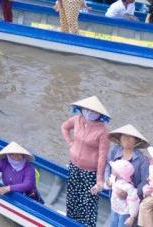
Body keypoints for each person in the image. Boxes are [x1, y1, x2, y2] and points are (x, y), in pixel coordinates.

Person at [60, 95, 112, 225]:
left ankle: (87, 225)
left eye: (94, 111)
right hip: (74, 165)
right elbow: (64, 127)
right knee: (72, 195)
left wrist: (99, 179)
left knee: (88, 201)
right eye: (87, 109)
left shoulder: (103, 131)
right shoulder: (77, 119)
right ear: (82, 109)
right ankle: (71, 221)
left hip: (90, 172)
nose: (89, 113)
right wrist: (70, 143)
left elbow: (102, 156)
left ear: (99, 114)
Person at [103, 125, 151, 215]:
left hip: (131, 199)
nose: (126, 139)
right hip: (114, 192)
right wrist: (107, 180)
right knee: (114, 216)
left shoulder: (142, 159)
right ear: (120, 137)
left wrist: (130, 194)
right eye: (124, 136)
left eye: (130, 137)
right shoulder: (115, 149)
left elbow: (145, 181)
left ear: (136, 141)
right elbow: (108, 165)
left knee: (123, 221)